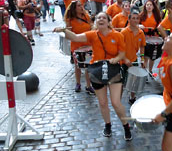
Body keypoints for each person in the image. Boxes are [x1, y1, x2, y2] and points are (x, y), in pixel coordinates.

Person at [53, 12, 132, 141]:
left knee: (116, 102)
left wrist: (115, 59)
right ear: (96, 22)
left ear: (108, 21)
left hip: (113, 70)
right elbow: (75, 37)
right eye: (98, 18)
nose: (101, 19)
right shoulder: (92, 34)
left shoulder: (117, 35)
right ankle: (107, 125)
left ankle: (126, 126)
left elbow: (122, 53)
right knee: (102, 102)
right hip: (97, 70)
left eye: (103, 18)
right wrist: (63, 30)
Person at [64, 0, 94, 94]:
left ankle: (88, 85)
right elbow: (68, 33)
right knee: (78, 66)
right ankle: (78, 83)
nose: (81, 7)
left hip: (88, 44)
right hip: (76, 45)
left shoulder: (86, 16)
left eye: (82, 5)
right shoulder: (70, 19)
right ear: (74, 8)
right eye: (79, 6)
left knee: (88, 66)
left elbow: (91, 27)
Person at [121, 7, 146, 104]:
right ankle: (118, 100)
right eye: (133, 18)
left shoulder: (141, 33)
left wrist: (143, 59)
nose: (135, 20)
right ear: (129, 19)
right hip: (123, 61)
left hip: (134, 59)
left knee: (134, 80)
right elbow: (119, 48)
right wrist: (125, 59)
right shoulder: (124, 32)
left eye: (137, 18)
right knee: (123, 82)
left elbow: (142, 47)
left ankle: (132, 97)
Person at [139, 0, 161, 73]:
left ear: (153, 7)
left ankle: (150, 71)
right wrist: (139, 26)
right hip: (144, 37)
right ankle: (145, 71)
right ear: (145, 6)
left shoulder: (157, 16)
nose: (149, 6)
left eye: (150, 5)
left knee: (152, 56)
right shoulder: (141, 15)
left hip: (154, 38)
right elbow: (135, 24)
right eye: (147, 5)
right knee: (145, 56)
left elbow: (160, 26)